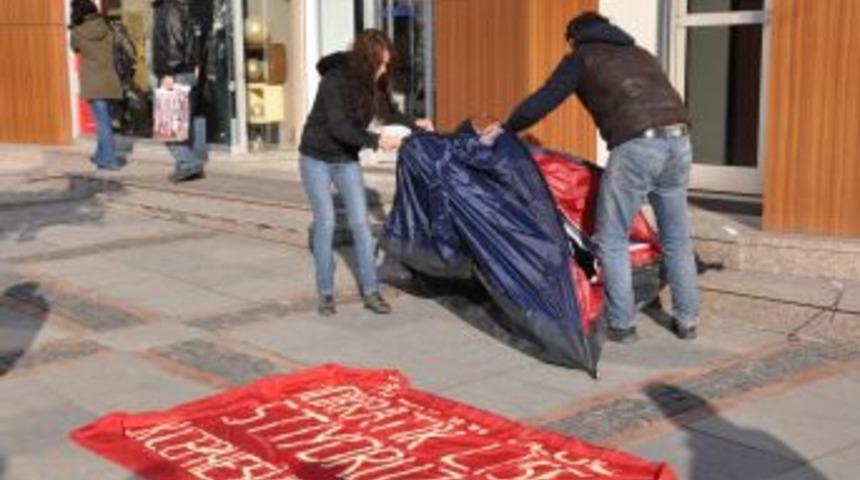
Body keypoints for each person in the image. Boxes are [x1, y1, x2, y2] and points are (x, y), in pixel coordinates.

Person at [487, 12, 699, 343]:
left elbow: (545, 99)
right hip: (680, 140)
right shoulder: (641, 54)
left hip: (638, 144)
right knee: (676, 238)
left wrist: (508, 128)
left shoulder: (581, 57)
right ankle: (688, 320)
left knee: (611, 238)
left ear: (575, 38)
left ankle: (622, 324)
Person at [299, 29, 434, 316]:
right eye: (380, 64)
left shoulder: (376, 83)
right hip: (315, 158)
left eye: (387, 64)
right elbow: (339, 127)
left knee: (361, 224)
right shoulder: (335, 80)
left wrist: (415, 123)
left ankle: (371, 292)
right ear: (365, 61)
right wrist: (376, 141)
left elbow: (389, 113)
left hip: (345, 158)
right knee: (326, 222)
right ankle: (325, 293)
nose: (384, 69)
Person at [69, 0, 131, 171]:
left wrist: (74, 26)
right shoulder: (106, 26)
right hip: (110, 80)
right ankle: (100, 154)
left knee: (102, 123)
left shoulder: (77, 31)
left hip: (93, 82)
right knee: (104, 120)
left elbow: (75, 48)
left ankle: (110, 159)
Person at [152, 0, 209, 182]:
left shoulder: (168, 9)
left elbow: (173, 42)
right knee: (185, 123)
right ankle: (189, 162)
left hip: (174, 74)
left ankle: (189, 163)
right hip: (186, 73)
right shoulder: (181, 7)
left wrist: (168, 72)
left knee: (168, 127)